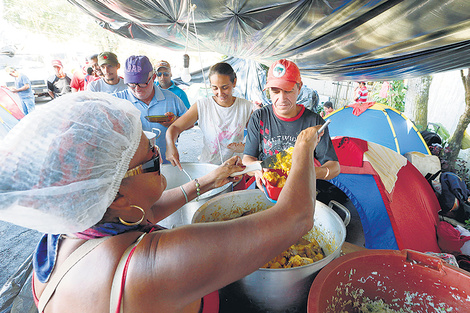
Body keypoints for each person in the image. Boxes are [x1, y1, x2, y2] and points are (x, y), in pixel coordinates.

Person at [0, 92, 319, 313]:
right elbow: (295, 219)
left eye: (154, 144)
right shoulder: (148, 267)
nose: (160, 155)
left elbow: (146, 211)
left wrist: (210, 179)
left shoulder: (72, 230)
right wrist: (303, 145)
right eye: (151, 160)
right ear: (120, 193)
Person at [243, 59, 340, 189]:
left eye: (288, 91)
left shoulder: (314, 122)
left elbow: (334, 167)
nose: (282, 98)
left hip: (300, 191)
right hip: (266, 189)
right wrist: (258, 169)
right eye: (275, 91)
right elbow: (247, 159)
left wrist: (311, 173)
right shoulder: (260, 117)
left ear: (299, 88)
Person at [166, 62, 253, 167]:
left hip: (236, 169)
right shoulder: (202, 106)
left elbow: (258, 136)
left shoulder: (245, 107)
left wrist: (245, 147)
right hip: (208, 169)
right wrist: (171, 146)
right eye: (215, 88)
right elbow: (175, 127)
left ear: (234, 82)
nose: (220, 93)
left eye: (225, 87)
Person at [113, 55, 187, 163]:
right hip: (132, 167)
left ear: (153, 77)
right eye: (132, 84)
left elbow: (190, 122)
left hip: (165, 162)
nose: (137, 89)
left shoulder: (171, 98)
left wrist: (176, 122)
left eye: (142, 83)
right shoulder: (117, 101)